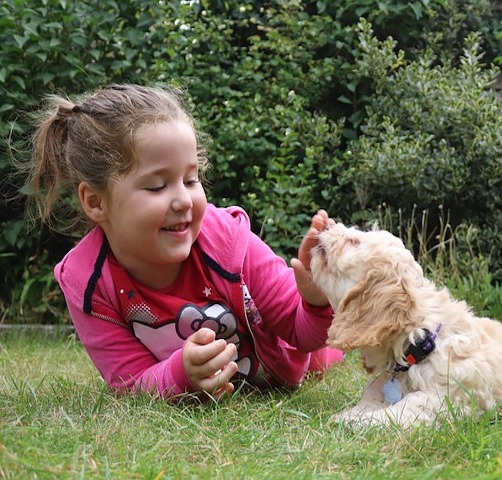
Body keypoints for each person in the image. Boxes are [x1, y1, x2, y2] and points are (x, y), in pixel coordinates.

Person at [26, 83, 343, 401]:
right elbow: (131, 384)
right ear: (95, 201)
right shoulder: (89, 284)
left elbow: (301, 332)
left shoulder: (228, 242)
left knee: (329, 351)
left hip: (294, 358)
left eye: (191, 180)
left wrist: (316, 300)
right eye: (156, 186)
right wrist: (182, 374)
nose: (183, 201)